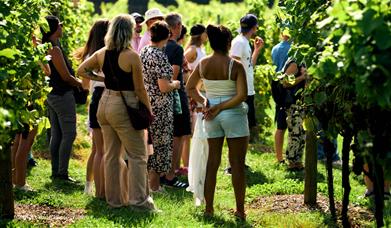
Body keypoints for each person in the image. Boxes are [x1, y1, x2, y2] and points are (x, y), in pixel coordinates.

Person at [77, 14, 156, 210]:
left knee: (112, 154)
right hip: (125, 104)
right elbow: (139, 89)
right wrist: (148, 108)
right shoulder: (132, 56)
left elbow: (81, 70)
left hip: (104, 104)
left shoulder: (102, 53)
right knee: (137, 155)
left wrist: (103, 79)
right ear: (128, 31)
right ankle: (139, 201)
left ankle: (115, 201)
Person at [186, 24, 248, 220]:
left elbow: (190, 88)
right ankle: (239, 210)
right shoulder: (235, 65)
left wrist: (205, 103)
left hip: (211, 115)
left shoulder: (203, 63)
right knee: (237, 163)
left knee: (212, 162)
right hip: (233, 114)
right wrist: (221, 107)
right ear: (229, 43)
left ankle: (209, 209)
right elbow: (242, 95)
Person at [140, 21, 181, 192]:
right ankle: (155, 187)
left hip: (146, 103)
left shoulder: (143, 52)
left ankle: (147, 186)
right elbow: (164, 86)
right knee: (159, 147)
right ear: (168, 35)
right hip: (160, 108)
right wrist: (175, 84)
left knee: (148, 146)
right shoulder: (160, 55)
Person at [41, 15, 83, 182]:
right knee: (69, 133)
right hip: (61, 94)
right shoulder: (54, 49)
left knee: (56, 133)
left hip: (52, 94)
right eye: (59, 25)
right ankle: (62, 173)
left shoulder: (47, 47)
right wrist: (80, 83)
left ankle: (56, 171)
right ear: (53, 29)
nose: (62, 28)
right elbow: (65, 76)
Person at [74, 19, 109, 197]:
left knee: (96, 149)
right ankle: (101, 190)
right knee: (104, 150)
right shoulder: (107, 54)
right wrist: (104, 80)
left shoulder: (89, 57)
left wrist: (96, 81)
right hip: (107, 98)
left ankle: (89, 186)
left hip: (94, 101)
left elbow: (85, 86)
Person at [162, 13, 191, 188]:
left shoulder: (158, 46)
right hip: (175, 96)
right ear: (178, 26)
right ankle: (171, 175)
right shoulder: (177, 48)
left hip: (158, 96)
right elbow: (173, 74)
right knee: (178, 135)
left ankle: (162, 173)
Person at [230, 14, 264, 144]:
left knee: (245, 128)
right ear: (255, 28)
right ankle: (236, 162)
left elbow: (249, 66)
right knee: (240, 129)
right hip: (242, 91)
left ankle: (240, 162)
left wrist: (256, 50)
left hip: (248, 90)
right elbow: (233, 67)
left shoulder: (244, 42)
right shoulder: (239, 42)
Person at [271, 29, 291, 164]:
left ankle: (279, 157)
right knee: (292, 124)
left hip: (276, 84)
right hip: (288, 86)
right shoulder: (293, 49)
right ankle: (292, 156)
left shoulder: (275, 48)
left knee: (280, 123)